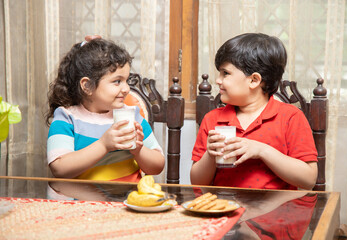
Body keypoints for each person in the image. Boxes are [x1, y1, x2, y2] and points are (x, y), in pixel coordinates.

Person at [190, 33, 318, 190]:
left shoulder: (290, 117)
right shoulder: (213, 119)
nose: (218, 80)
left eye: (226, 73)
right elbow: (196, 182)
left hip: (277, 212)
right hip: (224, 210)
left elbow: (309, 179)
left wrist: (262, 150)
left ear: (254, 80)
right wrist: (210, 155)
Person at [45, 38, 165, 182]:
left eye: (126, 80)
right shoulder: (67, 118)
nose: (126, 89)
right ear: (87, 86)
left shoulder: (132, 116)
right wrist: (103, 145)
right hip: (82, 202)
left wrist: (138, 151)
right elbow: (59, 169)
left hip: (127, 200)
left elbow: (158, 166)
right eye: (117, 81)